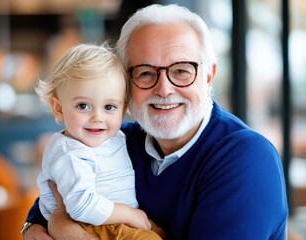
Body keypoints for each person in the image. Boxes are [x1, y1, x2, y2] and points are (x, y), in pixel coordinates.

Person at [22, 4, 289, 240]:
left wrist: (65, 229)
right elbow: (58, 191)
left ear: (208, 77)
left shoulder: (247, 158)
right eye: (146, 73)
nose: (164, 89)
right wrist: (33, 226)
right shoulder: (116, 140)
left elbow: (64, 213)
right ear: (127, 85)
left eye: (182, 71)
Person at [33, 43, 165, 239]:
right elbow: (82, 206)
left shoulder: (117, 136)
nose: (97, 117)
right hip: (91, 224)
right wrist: (130, 214)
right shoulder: (70, 153)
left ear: (123, 109)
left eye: (109, 107)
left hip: (116, 221)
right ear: (59, 108)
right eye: (83, 105)